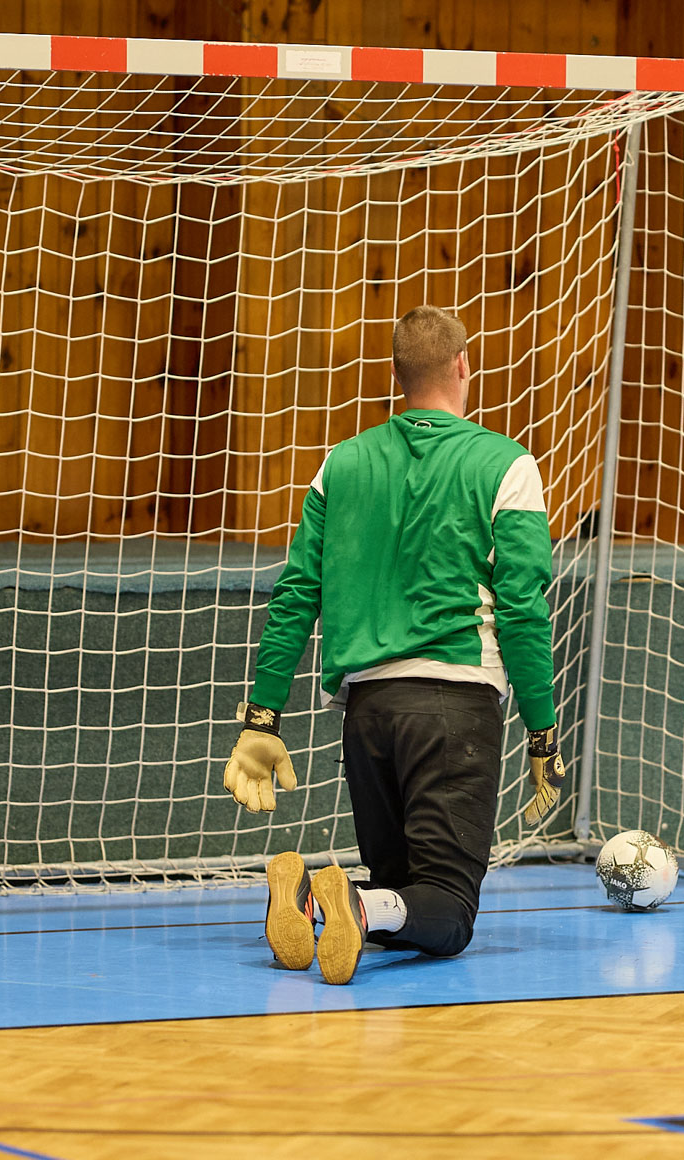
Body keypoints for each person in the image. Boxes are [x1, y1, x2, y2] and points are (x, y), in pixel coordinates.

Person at [218, 305, 566, 985]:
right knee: (449, 913)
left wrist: (262, 718)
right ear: (463, 365)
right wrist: (543, 732)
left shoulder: (340, 464)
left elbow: (296, 595)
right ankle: (344, 899)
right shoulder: (508, 464)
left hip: (368, 713)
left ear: (397, 374)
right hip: (454, 707)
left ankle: (310, 902)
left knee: (401, 899)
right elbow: (524, 609)